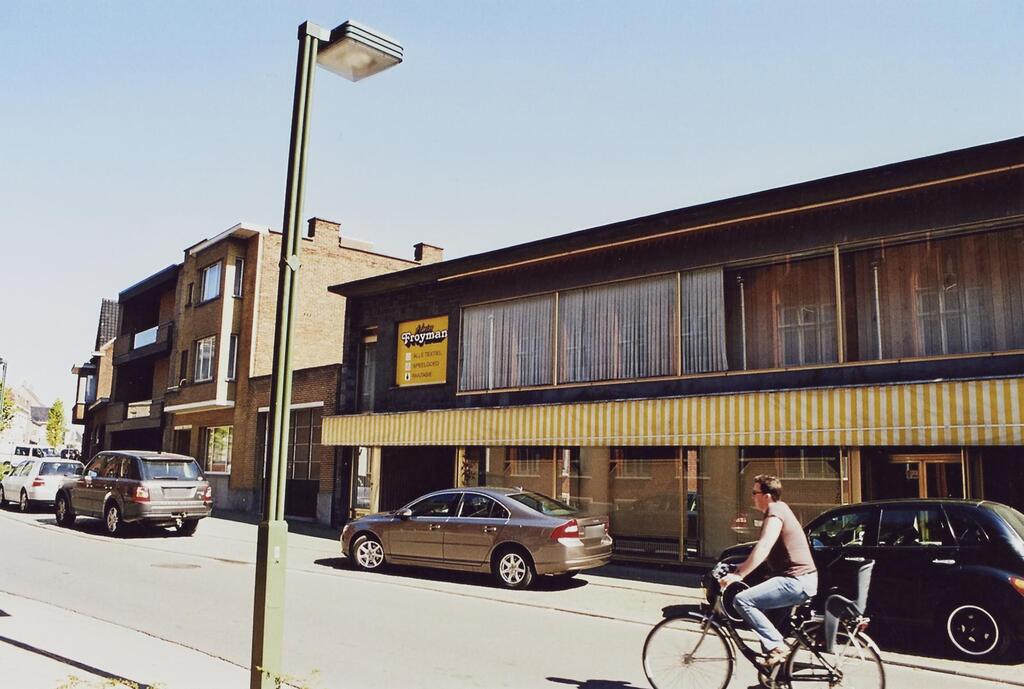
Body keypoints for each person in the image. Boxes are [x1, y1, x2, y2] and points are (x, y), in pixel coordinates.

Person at [719, 474, 817, 667]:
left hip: (795, 581)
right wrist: (739, 566)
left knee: (742, 600)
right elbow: (768, 553)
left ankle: (778, 648)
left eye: (754, 492)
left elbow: (764, 545)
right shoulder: (781, 509)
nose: (752, 497)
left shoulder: (775, 511)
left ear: (767, 495)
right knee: (768, 626)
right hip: (800, 580)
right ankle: (775, 676)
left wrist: (739, 575)